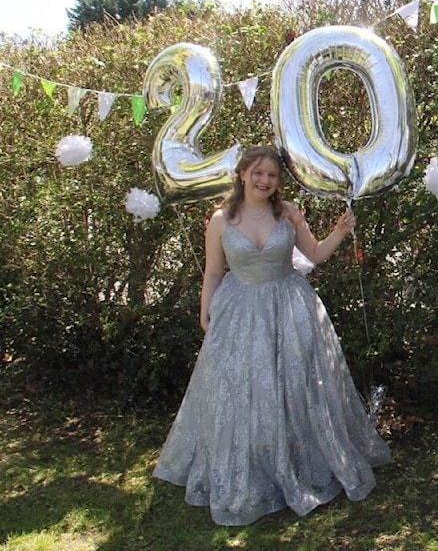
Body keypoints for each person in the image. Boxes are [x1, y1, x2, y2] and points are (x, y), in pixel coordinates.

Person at [153, 145, 390, 526]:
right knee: (243, 391)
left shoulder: (288, 213)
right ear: (242, 174)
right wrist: (205, 310)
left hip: (290, 307)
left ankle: (299, 459)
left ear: (279, 180)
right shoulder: (220, 220)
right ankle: (254, 464)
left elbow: (313, 253)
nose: (264, 181)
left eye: (272, 175)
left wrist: (340, 232)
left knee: (295, 387)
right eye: (258, 173)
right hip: (240, 311)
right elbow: (213, 272)